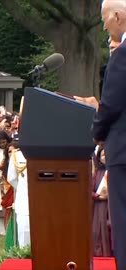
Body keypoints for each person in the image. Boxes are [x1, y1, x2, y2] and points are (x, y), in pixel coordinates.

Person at [92, 1, 126, 268]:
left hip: (123, 154)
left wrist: (97, 133)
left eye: (105, 19)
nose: (103, 25)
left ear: (118, 16)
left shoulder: (122, 55)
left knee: (123, 222)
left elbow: (111, 104)